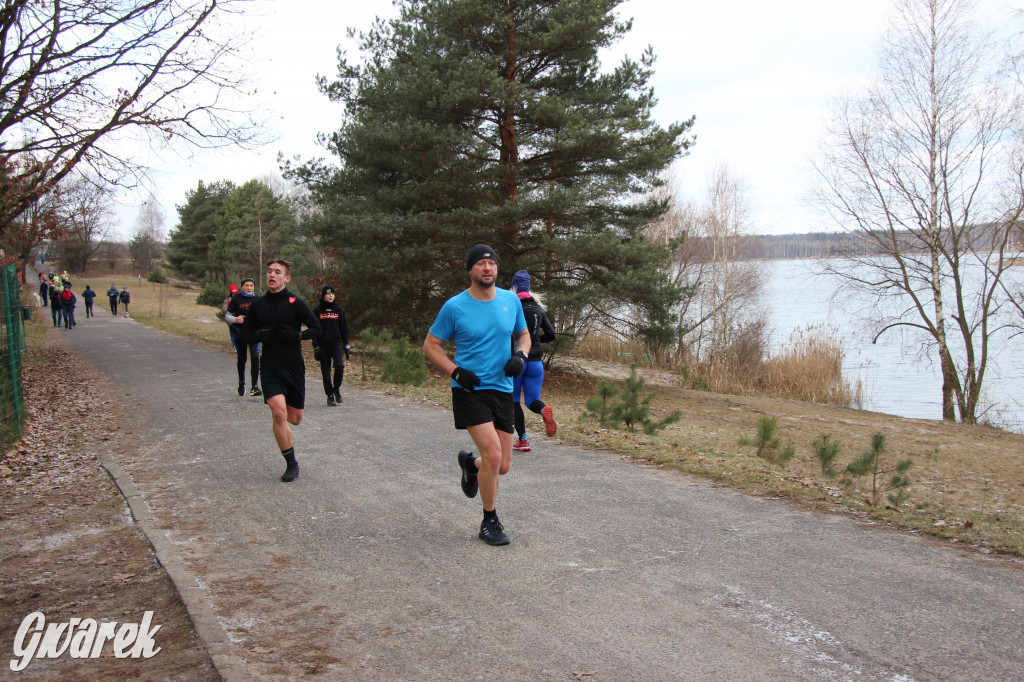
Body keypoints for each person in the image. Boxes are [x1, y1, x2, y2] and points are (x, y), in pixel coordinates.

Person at [423, 244, 529, 546]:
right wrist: (456, 372)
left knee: (502, 465)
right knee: (493, 455)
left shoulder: (511, 301)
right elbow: (431, 346)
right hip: (470, 390)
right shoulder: (455, 307)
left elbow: (523, 335)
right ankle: (489, 520)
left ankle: (471, 466)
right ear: (470, 270)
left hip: (502, 389)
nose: (487, 268)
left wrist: (520, 357)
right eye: (481, 264)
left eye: (492, 263)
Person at [241, 259, 321, 482]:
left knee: (294, 418)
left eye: (277, 272)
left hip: (293, 364)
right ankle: (291, 463)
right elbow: (246, 335)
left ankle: (288, 434)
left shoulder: (295, 303)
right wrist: (261, 336)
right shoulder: (258, 305)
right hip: (270, 364)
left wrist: (297, 336)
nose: (272, 275)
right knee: (278, 412)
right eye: (269, 272)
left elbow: (317, 328)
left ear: (287, 278)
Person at [508, 270, 558, 452]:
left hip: (518, 362)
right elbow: (551, 335)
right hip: (536, 363)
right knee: (532, 400)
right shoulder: (538, 308)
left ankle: (522, 440)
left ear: (513, 287)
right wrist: (536, 340)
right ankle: (543, 410)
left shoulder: (511, 307)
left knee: (513, 401)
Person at [311, 285, 350, 406]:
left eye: (333, 294)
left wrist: (346, 344)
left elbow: (344, 328)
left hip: (336, 344)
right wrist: (315, 345)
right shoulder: (318, 311)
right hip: (323, 346)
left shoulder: (338, 310)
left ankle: (336, 389)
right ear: (323, 296)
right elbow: (313, 329)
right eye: (328, 294)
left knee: (339, 366)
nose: (331, 296)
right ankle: (329, 395)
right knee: (326, 372)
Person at [225, 279, 262, 396]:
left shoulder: (258, 299)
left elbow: (264, 315)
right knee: (242, 358)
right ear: (242, 287)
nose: (249, 288)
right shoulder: (236, 299)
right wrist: (236, 319)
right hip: (240, 333)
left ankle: (255, 386)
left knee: (255, 357)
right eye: (247, 285)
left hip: (254, 333)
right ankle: (242, 382)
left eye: (251, 285)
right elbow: (227, 316)